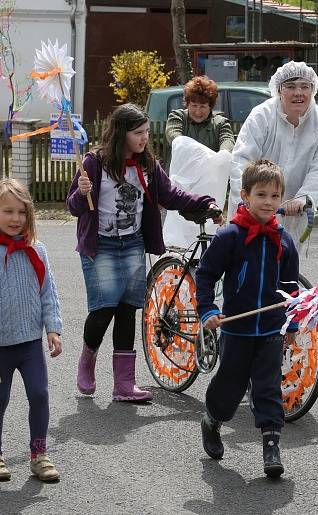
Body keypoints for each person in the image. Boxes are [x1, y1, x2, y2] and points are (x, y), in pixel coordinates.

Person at [67, 103, 223, 402]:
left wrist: (204, 202)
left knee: (127, 310)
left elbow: (171, 194)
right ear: (121, 133)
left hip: (133, 244)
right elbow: (73, 207)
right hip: (101, 246)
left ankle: (124, 385)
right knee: (103, 310)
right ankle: (87, 361)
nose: (144, 138)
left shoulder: (147, 166)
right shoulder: (94, 163)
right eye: (138, 133)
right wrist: (81, 193)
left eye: (147, 132)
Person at [196, 160, 300, 478]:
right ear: (245, 195)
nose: (268, 202)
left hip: (270, 330)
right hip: (237, 329)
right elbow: (206, 274)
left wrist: (292, 323)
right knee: (230, 385)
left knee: (268, 387)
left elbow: (290, 289)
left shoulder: (284, 242)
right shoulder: (229, 236)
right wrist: (209, 311)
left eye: (274, 196)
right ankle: (212, 420)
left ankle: (271, 445)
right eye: (261, 194)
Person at [0, 178, 62, 481]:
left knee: (40, 394)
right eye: (8, 211)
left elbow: (48, 293)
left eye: (21, 212)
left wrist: (53, 329)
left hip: (30, 341)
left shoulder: (38, 251)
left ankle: (39, 454)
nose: (15, 219)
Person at [228, 61, 318, 246]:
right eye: (290, 86)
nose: (298, 92)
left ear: (313, 90)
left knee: (284, 268)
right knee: (244, 266)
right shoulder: (262, 116)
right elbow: (242, 159)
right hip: (252, 211)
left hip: (293, 215)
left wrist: (304, 198)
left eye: (305, 86)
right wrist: (248, 200)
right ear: (279, 90)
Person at [163, 76, 235, 170]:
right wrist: (185, 145)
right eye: (194, 105)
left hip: (209, 179)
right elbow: (173, 134)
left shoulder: (221, 123)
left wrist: (223, 155)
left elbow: (227, 140)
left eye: (203, 106)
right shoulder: (177, 117)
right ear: (187, 104)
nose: (198, 112)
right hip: (180, 179)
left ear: (210, 107)